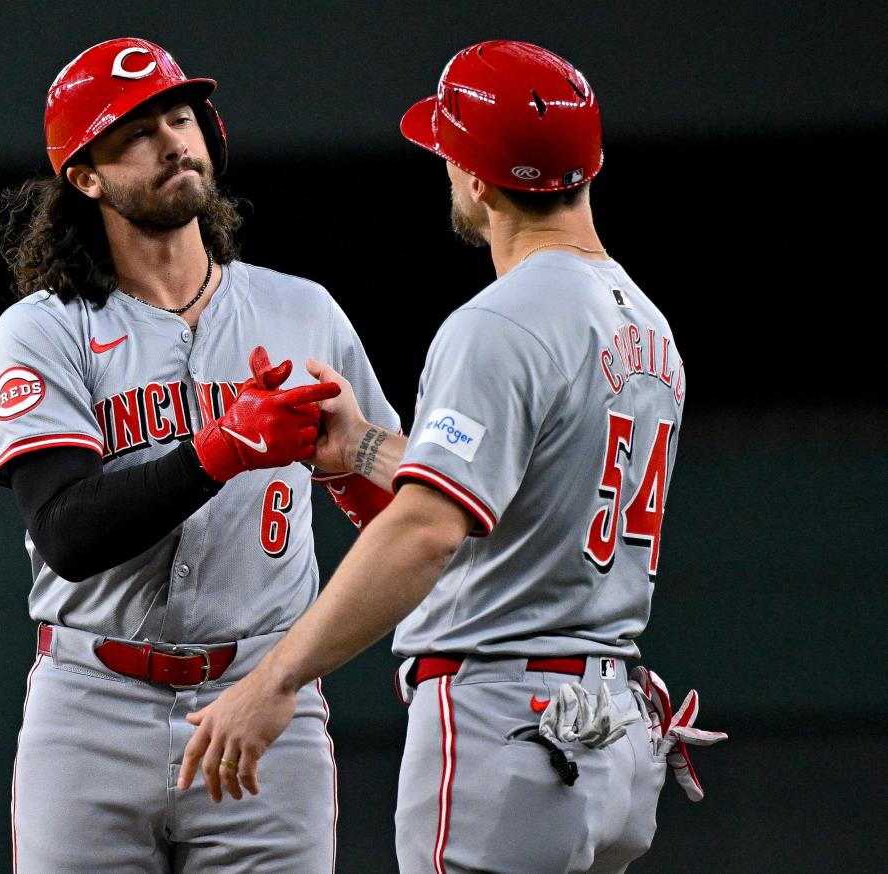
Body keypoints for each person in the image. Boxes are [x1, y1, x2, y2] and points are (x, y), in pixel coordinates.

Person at [179, 40, 725, 873]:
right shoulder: (645, 324)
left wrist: (276, 679)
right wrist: (361, 445)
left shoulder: (500, 321)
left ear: (475, 178)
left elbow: (429, 530)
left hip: (509, 719)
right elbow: (522, 490)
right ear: (590, 165)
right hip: (607, 728)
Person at [0, 37, 399, 872]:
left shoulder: (302, 311)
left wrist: (369, 451)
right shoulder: (45, 329)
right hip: (94, 703)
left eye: (181, 117)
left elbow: (401, 508)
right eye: (135, 132)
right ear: (86, 177)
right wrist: (217, 451)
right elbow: (67, 534)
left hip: (262, 699)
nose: (174, 139)